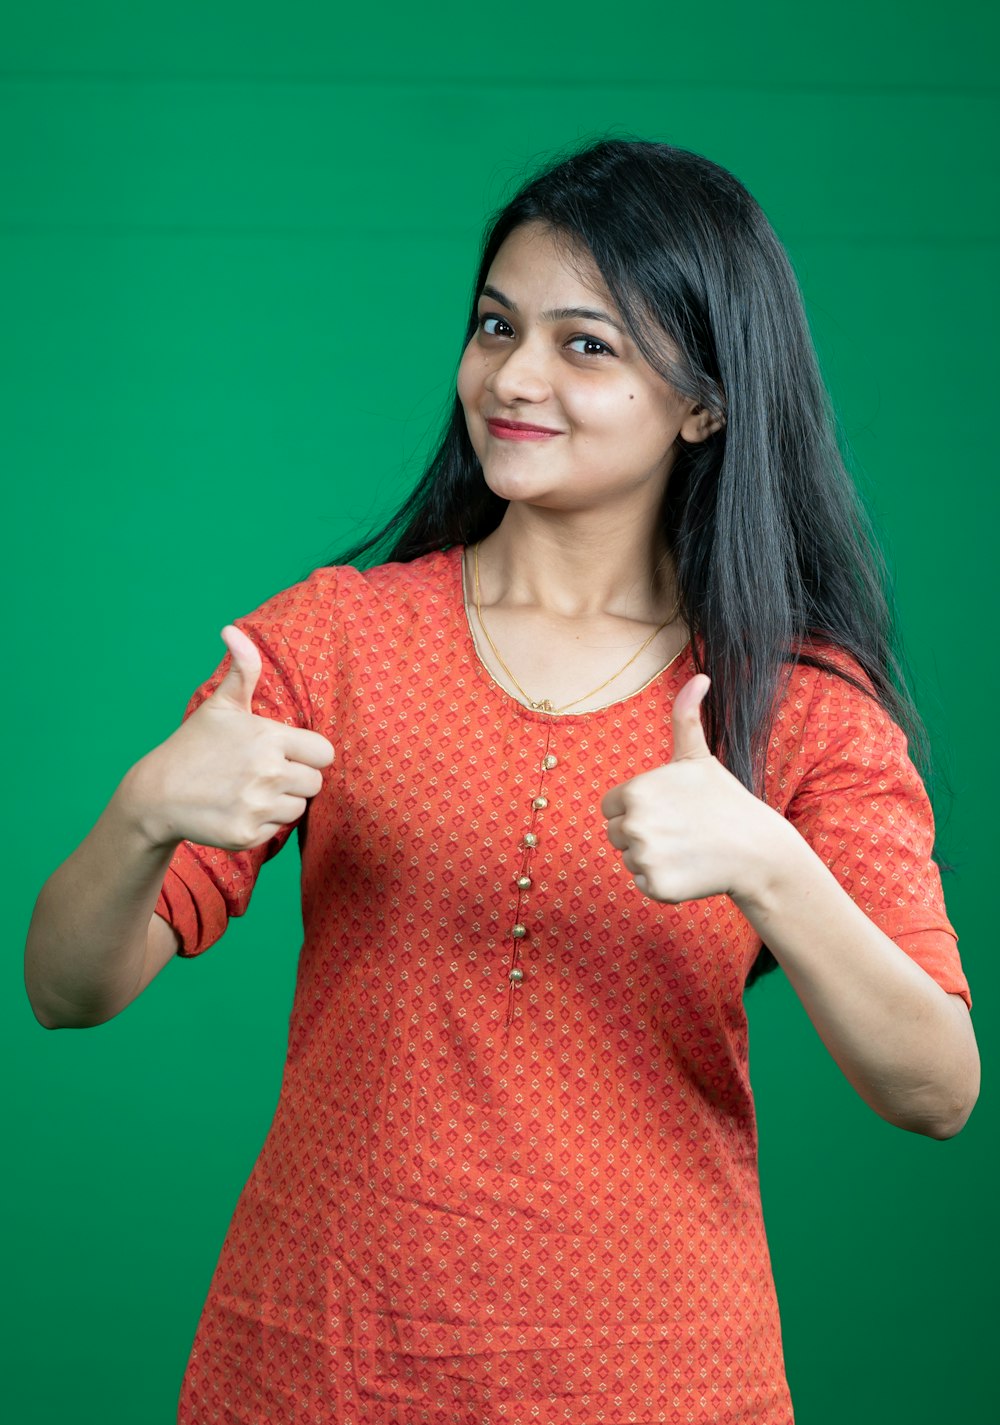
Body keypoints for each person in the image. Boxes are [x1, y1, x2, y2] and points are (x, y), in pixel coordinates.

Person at [25, 139, 978, 1424]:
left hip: (658, 1377)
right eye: (495, 326)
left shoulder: (799, 706)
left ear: (704, 400)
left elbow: (936, 1089)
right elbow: (68, 989)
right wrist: (144, 813)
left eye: (586, 344)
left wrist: (766, 861)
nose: (514, 378)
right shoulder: (327, 641)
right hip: (317, 1361)